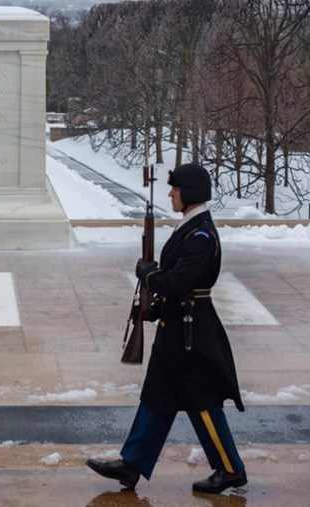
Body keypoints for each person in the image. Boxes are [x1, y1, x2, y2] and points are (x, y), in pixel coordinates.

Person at [86, 163, 247, 494]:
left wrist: (149, 275)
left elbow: (178, 281)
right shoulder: (191, 227)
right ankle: (132, 465)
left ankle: (230, 468)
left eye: (175, 188)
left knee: (202, 400)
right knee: (158, 396)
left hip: (192, 332)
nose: (171, 193)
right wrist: (157, 306)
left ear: (189, 193)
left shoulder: (201, 234)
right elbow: (177, 285)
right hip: (177, 324)